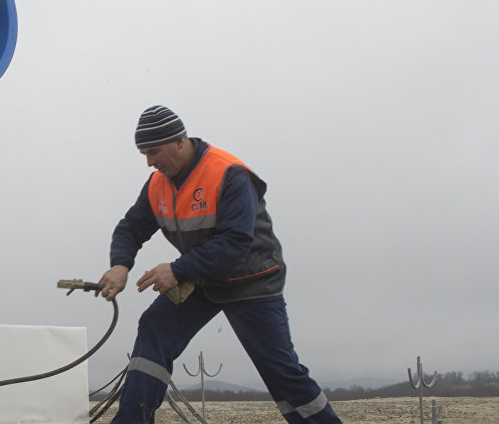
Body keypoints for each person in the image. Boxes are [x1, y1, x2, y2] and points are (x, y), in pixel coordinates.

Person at [97, 105, 341, 424]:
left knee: (281, 373)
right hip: (201, 280)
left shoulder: (228, 174)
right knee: (155, 326)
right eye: (144, 153)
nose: (150, 161)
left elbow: (235, 242)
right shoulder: (157, 184)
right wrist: (120, 265)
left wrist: (177, 270)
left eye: (154, 151)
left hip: (252, 281)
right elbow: (131, 227)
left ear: (180, 142)